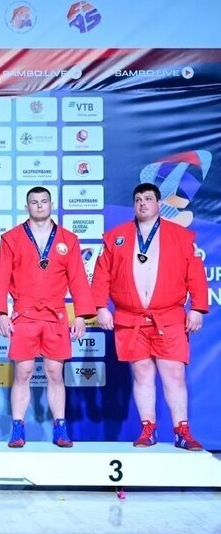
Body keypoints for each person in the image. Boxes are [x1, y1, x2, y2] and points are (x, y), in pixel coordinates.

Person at [91, 183, 208, 450]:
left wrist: (198, 308)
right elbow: (101, 276)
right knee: (141, 373)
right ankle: (148, 429)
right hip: (130, 318)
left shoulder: (181, 236)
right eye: (138, 199)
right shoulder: (116, 237)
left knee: (174, 374)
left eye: (148, 198)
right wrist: (100, 307)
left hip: (168, 317)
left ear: (158, 203)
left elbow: (195, 275)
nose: (142, 203)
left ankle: (182, 431)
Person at [0, 186, 96, 447]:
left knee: (55, 372)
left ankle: (60, 427)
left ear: (51, 205)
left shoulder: (68, 239)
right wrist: (1, 312)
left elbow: (78, 280)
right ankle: (18, 428)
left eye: (44, 201)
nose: (39, 206)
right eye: (34, 202)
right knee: (23, 372)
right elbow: (1, 277)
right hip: (24, 313)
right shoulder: (11, 238)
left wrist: (81, 315)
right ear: (26, 207)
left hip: (55, 314)